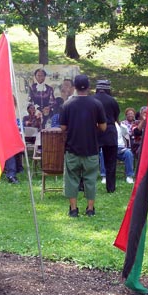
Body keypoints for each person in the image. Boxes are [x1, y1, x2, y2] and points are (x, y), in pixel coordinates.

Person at [60, 74, 107, 217]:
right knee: (90, 179)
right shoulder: (96, 104)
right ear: (88, 87)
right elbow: (104, 127)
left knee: (71, 179)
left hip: (72, 148)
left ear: (74, 87)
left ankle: (73, 209)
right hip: (91, 149)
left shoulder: (67, 104)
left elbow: (62, 127)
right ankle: (90, 209)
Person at [94, 80, 120, 193]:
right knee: (110, 161)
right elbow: (116, 116)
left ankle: (83, 185)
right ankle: (110, 187)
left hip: (94, 131)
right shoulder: (112, 100)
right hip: (109, 131)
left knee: (89, 160)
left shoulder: (92, 99)